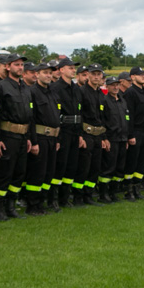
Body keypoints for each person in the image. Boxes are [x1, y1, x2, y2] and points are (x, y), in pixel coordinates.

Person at [0, 54, 33, 220]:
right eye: (16, 64)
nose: (20, 67)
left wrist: (29, 137)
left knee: (19, 172)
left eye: (22, 64)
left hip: (23, 135)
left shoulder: (25, 88)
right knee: (4, 173)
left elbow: (29, 115)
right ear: (7, 67)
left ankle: (11, 205)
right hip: (7, 135)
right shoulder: (1, 87)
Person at [26, 62, 60, 215]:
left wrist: (57, 138)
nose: (48, 75)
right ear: (37, 74)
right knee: (37, 172)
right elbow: (31, 119)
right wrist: (33, 141)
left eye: (50, 73)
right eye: (45, 72)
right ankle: (32, 204)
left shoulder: (52, 92)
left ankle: (41, 202)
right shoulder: (32, 92)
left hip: (53, 138)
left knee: (49, 172)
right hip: (40, 137)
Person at [75, 64, 110, 205]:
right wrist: (80, 136)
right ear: (88, 75)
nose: (96, 77)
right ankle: (77, 196)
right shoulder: (81, 92)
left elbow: (103, 118)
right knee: (83, 167)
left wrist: (104, 138)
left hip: (98, 135)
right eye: (93, 74)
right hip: (86, 134)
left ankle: (88, 195)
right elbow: (79, 115)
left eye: (98, 74)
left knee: (95, 168)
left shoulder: (101, 94)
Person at [51, 58, 82, 210]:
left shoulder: (76, 89)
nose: (73, 70)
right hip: (63, 131)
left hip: (75, 131)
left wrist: (80, 134)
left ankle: (65, 198)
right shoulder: (55, 88)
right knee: (59, 165)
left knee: (71, 166)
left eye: (73, 68)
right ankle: (53, 198)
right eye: (70, 67)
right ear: (61, 70)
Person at [122, 67, 144, 201]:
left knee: (142, 163)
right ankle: (128, 190)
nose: (143, 77)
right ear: (133, 77)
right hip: (136, 131)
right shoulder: (130, 93)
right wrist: (130, 135)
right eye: (140, 75)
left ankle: (137, 188)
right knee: (132, 163)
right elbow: (129, 116)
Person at [100, 75, 128, 202]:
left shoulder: (122, 101)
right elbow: (102, 121)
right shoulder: (104, 101)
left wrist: (126, 138)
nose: (115, 87)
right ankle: (103, 194)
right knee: (108, 168)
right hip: (111, 139)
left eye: (117, 84)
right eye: (112, 85)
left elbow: (126, 120)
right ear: (106, 86)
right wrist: (104, 138)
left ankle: (113, 192)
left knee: (119, 167)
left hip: (122, 139)